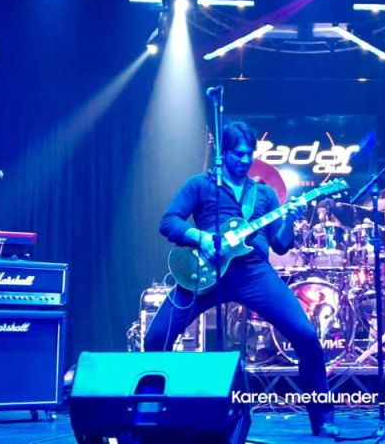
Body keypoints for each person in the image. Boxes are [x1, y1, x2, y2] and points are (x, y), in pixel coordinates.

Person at [145, 120, 339, 438]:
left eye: (249, 154)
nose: (245, 160)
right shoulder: (200, 185)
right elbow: (169, 222)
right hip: (205, 272)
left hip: (253, 272)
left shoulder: (263, 194)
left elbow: (280, 245)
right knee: (156, 337)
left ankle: (323, 419)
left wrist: (290, 219)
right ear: (223, 154)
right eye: (238, 154)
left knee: (305, 334)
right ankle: (153, 414)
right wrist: (201, 238)